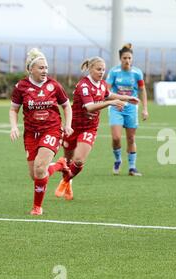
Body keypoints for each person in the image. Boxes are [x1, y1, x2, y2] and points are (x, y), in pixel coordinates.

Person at [54, 56, 139, 200]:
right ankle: (68, 185)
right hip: (73, 127)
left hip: (89, 128)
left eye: (103, 69)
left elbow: (108, 94)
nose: (102, 72)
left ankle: (65, 182)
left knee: (79, 160)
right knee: (68, 161)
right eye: (98, 69)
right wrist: (111, 103)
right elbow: (89, 107)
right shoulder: (84, 86)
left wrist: (126, 98)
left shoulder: (101, 84)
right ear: (90, 69)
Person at [9, 48, 73, 215]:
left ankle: (37, 207)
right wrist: (14, 126)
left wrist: (68, 124)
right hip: (30, 134)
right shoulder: (21, 86)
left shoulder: (54, 85)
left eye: (46, 67)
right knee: (36, 174)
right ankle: (60, 165)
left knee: (39, 168)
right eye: (41, 68)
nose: (45, 71)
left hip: (51, 130)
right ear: (30, 69)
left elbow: (66, 105)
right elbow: (13, 109)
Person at [106, 44, 149, 176]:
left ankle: (132, 167)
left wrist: (145, 109)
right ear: (120, 58)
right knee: (116, 137)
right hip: (116, 107)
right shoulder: (114, 72)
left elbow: (142, 90)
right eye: (125, 58)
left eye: (129, 58)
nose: (127, 60)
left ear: (132, 59)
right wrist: (113, 101)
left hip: (131, 108)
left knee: (131, 138)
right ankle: (118, 160)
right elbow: (106, 90)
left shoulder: (137, 73)